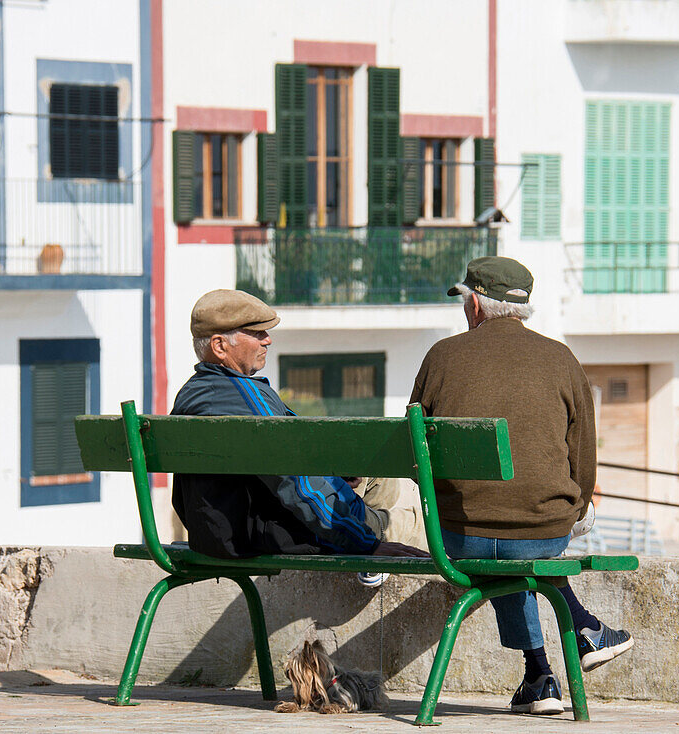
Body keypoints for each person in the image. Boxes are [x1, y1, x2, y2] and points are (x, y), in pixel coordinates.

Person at [409, 256, 633, 716]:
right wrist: (576, 507)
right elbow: (583, 460)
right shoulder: (561, 359)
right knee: (516, 545)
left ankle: (539, 675)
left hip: (458, 535)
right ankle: (580, 631)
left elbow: (412, 452)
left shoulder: (441, 357)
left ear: (474, 305)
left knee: (496, 543)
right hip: (542, 532)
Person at [170, 289, 427, 578]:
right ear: (219, 346)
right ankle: (374, 558)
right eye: (256, 333)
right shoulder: (246, 396)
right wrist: (367, 545)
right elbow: (297, 482)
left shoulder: (193, 394)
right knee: (419, 525)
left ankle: (371, 553)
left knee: (379, 474)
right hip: (279, 533)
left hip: (222, 535)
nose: (267, 339)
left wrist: (333, 470)